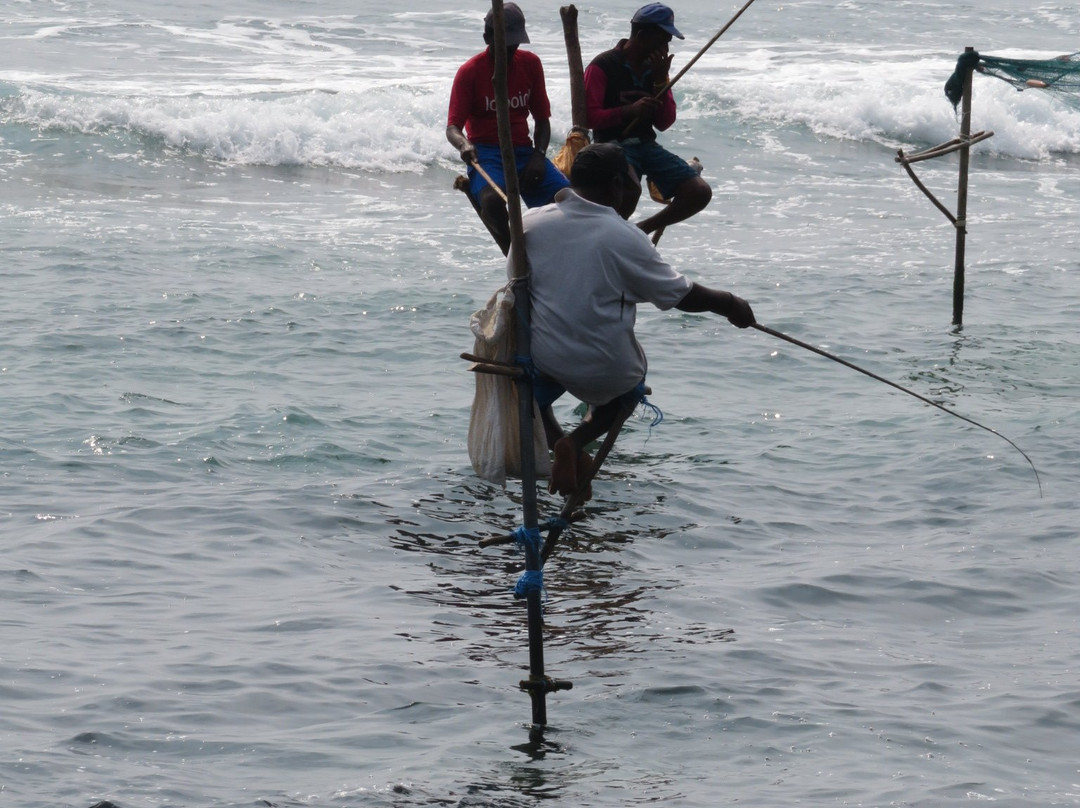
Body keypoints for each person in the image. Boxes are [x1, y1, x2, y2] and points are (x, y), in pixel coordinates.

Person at [510, 142, 755, 496]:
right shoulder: (623, 236)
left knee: (532, 391)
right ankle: (574, 442)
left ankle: (556, 440)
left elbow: (518, 285)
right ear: (615, 186)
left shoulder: (530, 223)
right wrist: (731, 304)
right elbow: (679, 294)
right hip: (604, 369)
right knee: (629, 389)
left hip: (546, 357)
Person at [446, 3, 570, 255]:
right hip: (487, 154)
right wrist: (464, 145)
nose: (511, 49)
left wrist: (538, 155)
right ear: (487, 38)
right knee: (492, 202)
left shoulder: (531, 64)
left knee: (568, 199)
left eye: (515, 43)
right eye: (505, 43)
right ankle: (516, 255)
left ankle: (557, 251)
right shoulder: (469, 72)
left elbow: (542, 120)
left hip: (524, 152)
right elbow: (453, 127)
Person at [583, 3, 712, 237]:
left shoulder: (655, 70)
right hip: (612, 145)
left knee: (699, 192)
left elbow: (664, 122)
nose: (666, 46)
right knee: (629, 189)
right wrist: (628, 112)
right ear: (642, 36)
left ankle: (641, 230)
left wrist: (662, 79)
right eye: (662, 39)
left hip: (645, 145)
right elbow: (588, 118)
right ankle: (609, 237)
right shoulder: (602, 66)